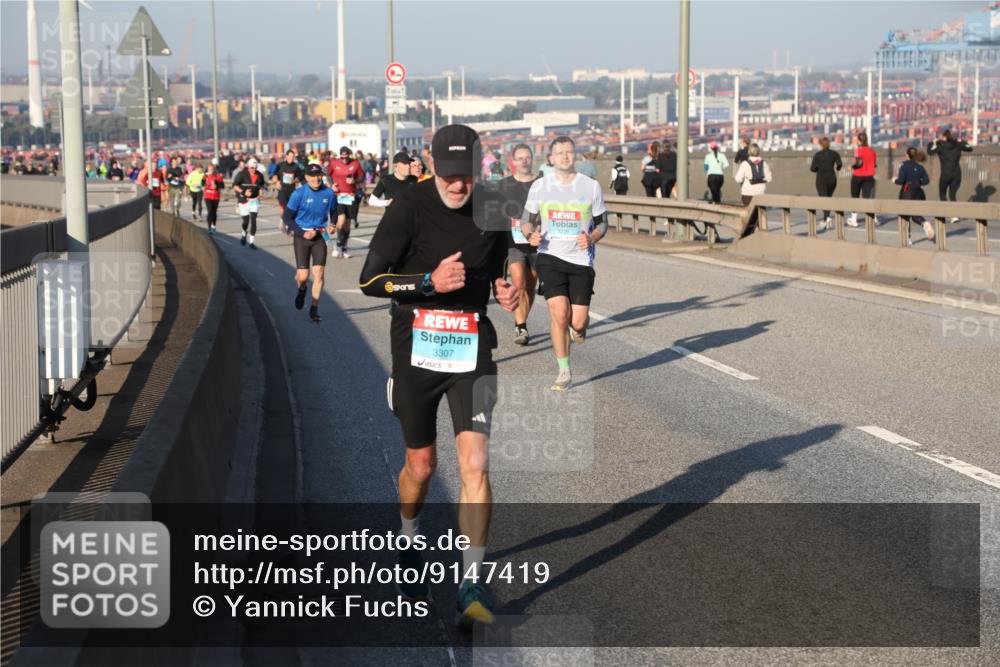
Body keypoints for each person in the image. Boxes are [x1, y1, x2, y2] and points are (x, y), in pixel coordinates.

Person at [357, 124, 518, 629]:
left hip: (471, 344)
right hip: (417, 346)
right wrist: (427, 281)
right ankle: (407, 533)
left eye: (465, 175)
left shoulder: (491, 202)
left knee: (476, 462)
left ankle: (471, 579)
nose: (457, 185)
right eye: (448, 176)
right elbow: (368, 280)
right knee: (421, 467)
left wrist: (508, 289)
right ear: (431, 166)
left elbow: (503, 260)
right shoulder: (408, 206)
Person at [521, 135, 608, 392]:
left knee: (578, 322)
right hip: (550, 256)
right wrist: (530, 234)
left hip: (581, 259)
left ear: (575, 154)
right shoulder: (540, 187)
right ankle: (563, 369)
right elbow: (527, 220)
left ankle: (578, 330)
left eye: (569, 151)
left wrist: (591, 237)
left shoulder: (590, 186)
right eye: (559, 153)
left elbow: (603, 223)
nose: (565, 156)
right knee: (560, 315)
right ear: (551, 158)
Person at [283, 163, 337, 322]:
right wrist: (302, 232)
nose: (316, 178)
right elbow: (287, 218)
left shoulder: (329, 193)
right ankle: (302, 289)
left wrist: (332, 224)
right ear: (306, 177)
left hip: (319, 236)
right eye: (312, 176)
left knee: (319, 273)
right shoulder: (298, 194)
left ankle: (314, 308)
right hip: (302, 236)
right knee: (303, 276)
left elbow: (334, 211)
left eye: (319, 175)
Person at [501, 144, 541, 346]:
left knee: (531, 284)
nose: (524, 161)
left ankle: (522, 319)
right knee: (518, 282)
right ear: (513, 161)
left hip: (537, 241)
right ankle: (521, 325)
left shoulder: (542, 183)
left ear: (532, 159)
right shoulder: (504, 185)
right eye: (520, 158)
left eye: (527, 157)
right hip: (513, 242)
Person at [328, 145, 365, 258]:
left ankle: (344, 247)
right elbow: (327, 174)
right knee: (341, 220)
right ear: (340, 156)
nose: (344, 159)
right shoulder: (334, 163)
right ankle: (338, 243)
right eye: (342, 157)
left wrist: (355, 180)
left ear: (349, 155)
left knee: (347, 225)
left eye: (346, 157)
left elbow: (362, 177)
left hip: (350, 196)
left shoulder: (355, 163)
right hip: (338, 195)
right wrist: (331, 185)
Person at [928, 128, 973, 222]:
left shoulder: (940, 145)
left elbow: (930, 152)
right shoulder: (957, 144)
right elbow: (970, 148)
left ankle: (948, 214)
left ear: (944, 137)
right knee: (952, 195)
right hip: (957, 174)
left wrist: (933, 143)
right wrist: (962, 141)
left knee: (942, 195)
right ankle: (955, 215)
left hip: (945, 174)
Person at [895, 146, 934, 243]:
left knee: (905, 216)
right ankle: (924, 223)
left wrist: (894, 180)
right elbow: (926, 181)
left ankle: (908, 239)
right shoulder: (920, 167)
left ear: (907, 155)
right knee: (915, 215)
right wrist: (918, 182)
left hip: (907, 193)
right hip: (919, 193)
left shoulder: (903, 166)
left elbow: (900, 181)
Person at [809, 137, 842, 231]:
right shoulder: (835, 154)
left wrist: (818, 168)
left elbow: (812, 168)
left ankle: (827, 218)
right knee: (828, 198)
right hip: (832, 179)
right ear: (829, 144)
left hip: (821, 179)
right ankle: (826, 218)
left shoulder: (817, 155)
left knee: (824, 200)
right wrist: (838, 168)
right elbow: (839, 164)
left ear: (821, 144)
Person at [232, 157, 266, 248]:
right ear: (248, 167)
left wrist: (261, 190)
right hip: (244, 200)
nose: (253, 170)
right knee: (246, 222)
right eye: (252, 168)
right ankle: (244, 234)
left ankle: (251, 242)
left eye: (255, 168)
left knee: (254, 221)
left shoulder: (259, 175)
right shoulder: (242, 174)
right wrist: (243, 192)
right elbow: (235, 186)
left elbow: (262, 185)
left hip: (254, 200)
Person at [848, 132, 877, 227]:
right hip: (869, 176)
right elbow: (874, 163)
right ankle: (872, 218)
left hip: (858, 176)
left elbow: (859, 163)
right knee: (867, 198)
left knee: (855, 197)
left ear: (859, 140)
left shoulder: (858, 150)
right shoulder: (872, 151)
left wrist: (851, 167)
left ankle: (854, 220)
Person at [272, 149, 305, 219]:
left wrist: (295, 180)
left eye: (293, 156)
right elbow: (274, 175)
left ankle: (288, 224)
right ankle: (283, 221)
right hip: (282, 190)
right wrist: (277, 182)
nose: (291, 158)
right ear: (286, 156)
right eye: (289, 156)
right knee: (283, 208)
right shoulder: (280, 165)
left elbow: (300, 177)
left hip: (292, 190)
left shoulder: (296, 166)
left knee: (291, 209)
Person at [609, 154, 639, 228]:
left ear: (616, 161)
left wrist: (610, 184)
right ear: (622, 161)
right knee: (623, 198)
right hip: (625, 185)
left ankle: (617, 213)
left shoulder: (614, 168)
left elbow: (613, 177)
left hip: (617, 185)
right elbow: (628, 176)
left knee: (616, 199)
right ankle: (622, 211)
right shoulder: (625, 168)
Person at [202, 163, 224, 235]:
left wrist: (216, 186)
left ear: (214, 170)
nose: (211, 170)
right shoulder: (205, 176)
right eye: (209, 169)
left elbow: (222, 186)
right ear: (207, 170)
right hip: (208, 196)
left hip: (216, 196)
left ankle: (214, 225)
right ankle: (209, 228)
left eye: (212, 169)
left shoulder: (218, 177)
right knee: (210, 211)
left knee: (214, 212)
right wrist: (205, 187)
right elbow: (202, 184)